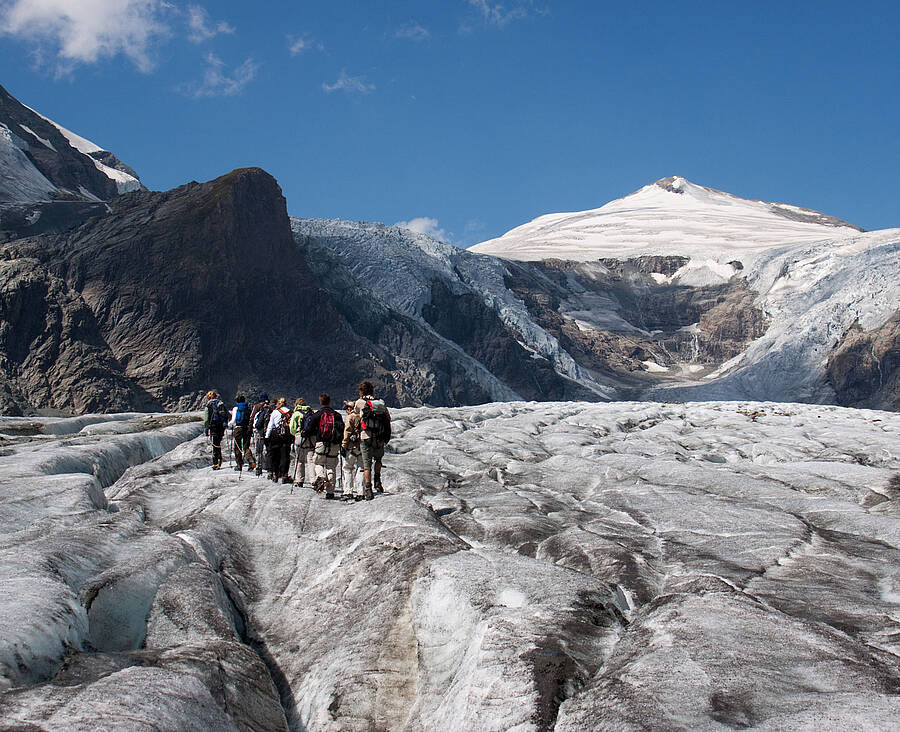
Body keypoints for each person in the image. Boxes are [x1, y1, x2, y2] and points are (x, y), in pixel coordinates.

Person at [354, 381, 391, 500]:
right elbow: (388, 417)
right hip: (379, 436)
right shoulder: (380, 403)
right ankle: (378, 481)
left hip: (366, 437)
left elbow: (355, 414)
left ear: (361, 391)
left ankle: (368, 489)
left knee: (367, 464)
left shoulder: (360, 402)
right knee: (378, 460)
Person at [304, 393, 344, 499]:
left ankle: (320, 476)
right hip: (334, 444)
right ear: (329, 402)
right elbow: (342, 430)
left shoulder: (317, 415)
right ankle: (330, 492)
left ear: (321, 402)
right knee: (331, 467)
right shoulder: (337, 415)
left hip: (321, 443)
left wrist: (304, 433)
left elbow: (310, 430)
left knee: (318, 462)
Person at [265, 397, 293, 483]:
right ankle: (284, 475)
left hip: (275, 436)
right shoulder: (290, 412)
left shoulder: (275, 412)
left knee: (275, 455)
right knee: (285, 456)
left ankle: (275, 474)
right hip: (286, 436)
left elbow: (270, 426)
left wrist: (267, 437)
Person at [289, 398, 315, 487]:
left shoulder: (296, 414)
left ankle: (299, 480)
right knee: (311, 460)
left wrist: (295, 434)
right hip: (311, 439)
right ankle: (313, 480)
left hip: (299, 437)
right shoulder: (311, 413)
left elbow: (292, 428)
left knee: (299, 460)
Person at [341, 400, 363, 501]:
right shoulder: (362, 416)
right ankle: (360, 492)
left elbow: (347, 432)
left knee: (348, 469)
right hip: (362, 447)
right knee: (360, 469)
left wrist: (344, 446)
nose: (346, 410)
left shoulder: (350, 417)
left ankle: (348, 492)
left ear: (350, 408)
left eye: (347, 408)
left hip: (351, 446)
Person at [229, 393, 256, 472]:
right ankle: (251, 461)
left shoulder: (236, 408)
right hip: (247, 429)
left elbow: (233, 420)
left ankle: (239, 464)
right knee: (246, 446)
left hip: (238, 428)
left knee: (237, 446)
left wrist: (229, 424)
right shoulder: (248, 408)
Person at [203, 390, 228, 470]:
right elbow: (226, 414)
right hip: (221, 426)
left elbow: (206, 418)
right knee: (218, 442)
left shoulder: (208, 405)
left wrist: (206, 428)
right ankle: (219, 459)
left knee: (215, 444)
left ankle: (215, 463)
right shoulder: (220, 403)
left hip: (213, 426)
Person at [249, 393, 271, 477]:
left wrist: (250, 430)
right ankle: (270, 469)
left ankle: (259, 468)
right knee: (269, 451)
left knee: (259, 451)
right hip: (269, 432)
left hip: (259, 432)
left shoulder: (257, 406)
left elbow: (252, 418)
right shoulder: (271, 407)